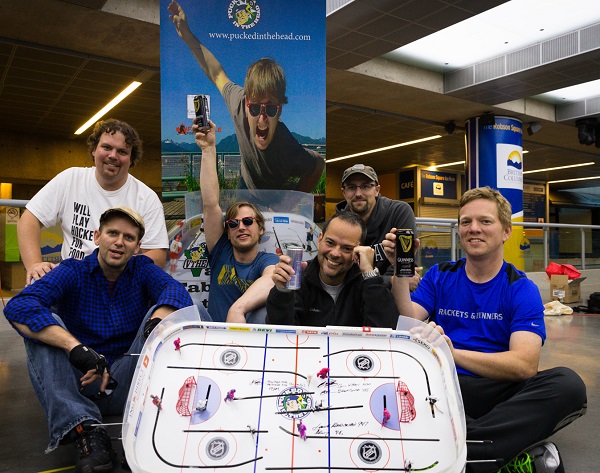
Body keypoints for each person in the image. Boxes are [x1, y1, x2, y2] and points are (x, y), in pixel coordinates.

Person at [382, 187, 587, 473]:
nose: (473, 229)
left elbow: (524, 365)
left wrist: (451, 352)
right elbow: (409, 322)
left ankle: (453, 449)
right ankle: (497, 452)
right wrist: (399, 273)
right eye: (466, 222)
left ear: (505, 231)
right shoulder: (440, 275)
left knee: (568, 385)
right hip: (444, 385)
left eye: (485, 221)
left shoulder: (521, 288)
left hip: (498, 388)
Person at [3, 207, 194, 473]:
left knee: (180, 315)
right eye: (112, 233)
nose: (119, 241)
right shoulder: (73, 270)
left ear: (137, 247)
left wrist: (154, 326)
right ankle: (85, 431)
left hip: (130, 383)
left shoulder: (142, 269)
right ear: (97, 236)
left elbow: (175, 292)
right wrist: (76, 349)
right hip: (81, 380)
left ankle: (164, 421)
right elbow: (20, 305)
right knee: (41, 327)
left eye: (128, 237)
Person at [168, 0, 325, 192]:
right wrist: (188, 36)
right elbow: (216, 73)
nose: (262, 119)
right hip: (246, 188)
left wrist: (292, 201)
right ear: (247, 103)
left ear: (280, 109)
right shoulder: (238, 103)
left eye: (271, 109)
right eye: (255, 108)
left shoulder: (287, 147)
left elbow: (318, 164)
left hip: (274, 197)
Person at [18, 118, 169, 285]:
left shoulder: (146, 198)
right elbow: (28, 220)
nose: (113, 156)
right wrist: (34, 265)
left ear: (131, 159)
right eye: (106, 147)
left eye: (122, 152)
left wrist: (120, 278)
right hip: (71, 281)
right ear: (94, 150)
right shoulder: (71, 179)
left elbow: (156, 254)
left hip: (121, 286)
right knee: (26, 305)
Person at [194, 120, 279, 323]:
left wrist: (237, 309)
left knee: (263, 312)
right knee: (191, 305)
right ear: (228, 231)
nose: (240, 226)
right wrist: (208, 149)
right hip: (213, 338)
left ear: (260, 229)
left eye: (248, 221)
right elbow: (211, 204)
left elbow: (272, 279)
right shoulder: (221, 251)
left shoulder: (266, 261)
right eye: (233, 223)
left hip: (248, 340)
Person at [266, 211, 411, 327]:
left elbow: (385, 333)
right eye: (330, 242)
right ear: (320, 239)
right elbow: (281, 337)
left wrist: (370, 273)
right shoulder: (298, 278)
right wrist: (282, 292)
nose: (335, 253)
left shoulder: (368, 285)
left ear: (359, 250)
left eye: (347, 248)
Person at [335, 164, 418, 285]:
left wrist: (397, 279)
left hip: (392, 299)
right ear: (344, 192)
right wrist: (391, 280)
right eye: (351, 187)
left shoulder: (399, 211)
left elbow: (404, 268)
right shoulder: (337, 223)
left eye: (365, 186)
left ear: (377, 190)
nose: (358, 193)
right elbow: (339, 277)